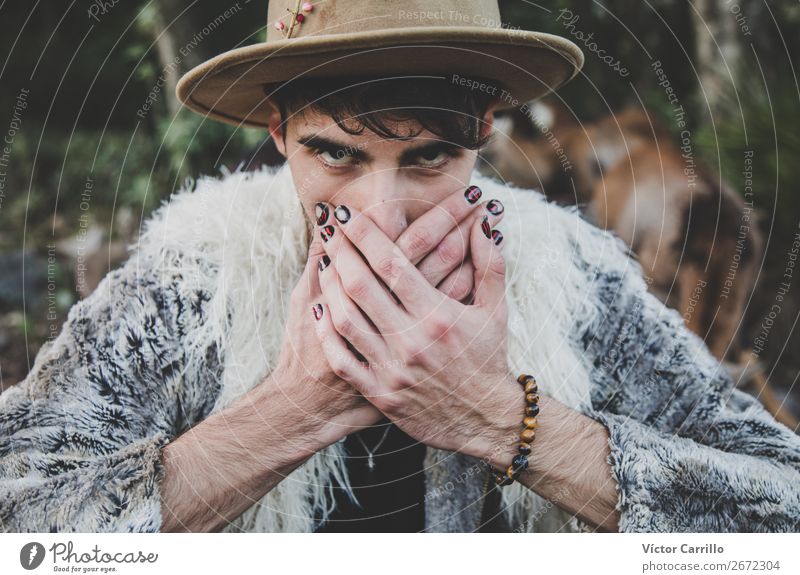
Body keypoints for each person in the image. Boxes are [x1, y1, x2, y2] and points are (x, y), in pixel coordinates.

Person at [2, 0, 799, 534]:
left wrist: (500, 420)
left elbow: (782, 506)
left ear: (484, 130)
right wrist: (291, 412)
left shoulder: (572, 276)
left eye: (429, 157)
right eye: (335, 154)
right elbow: (19, 522)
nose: (381, 213)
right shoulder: (193, 281)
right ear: (279, 132)